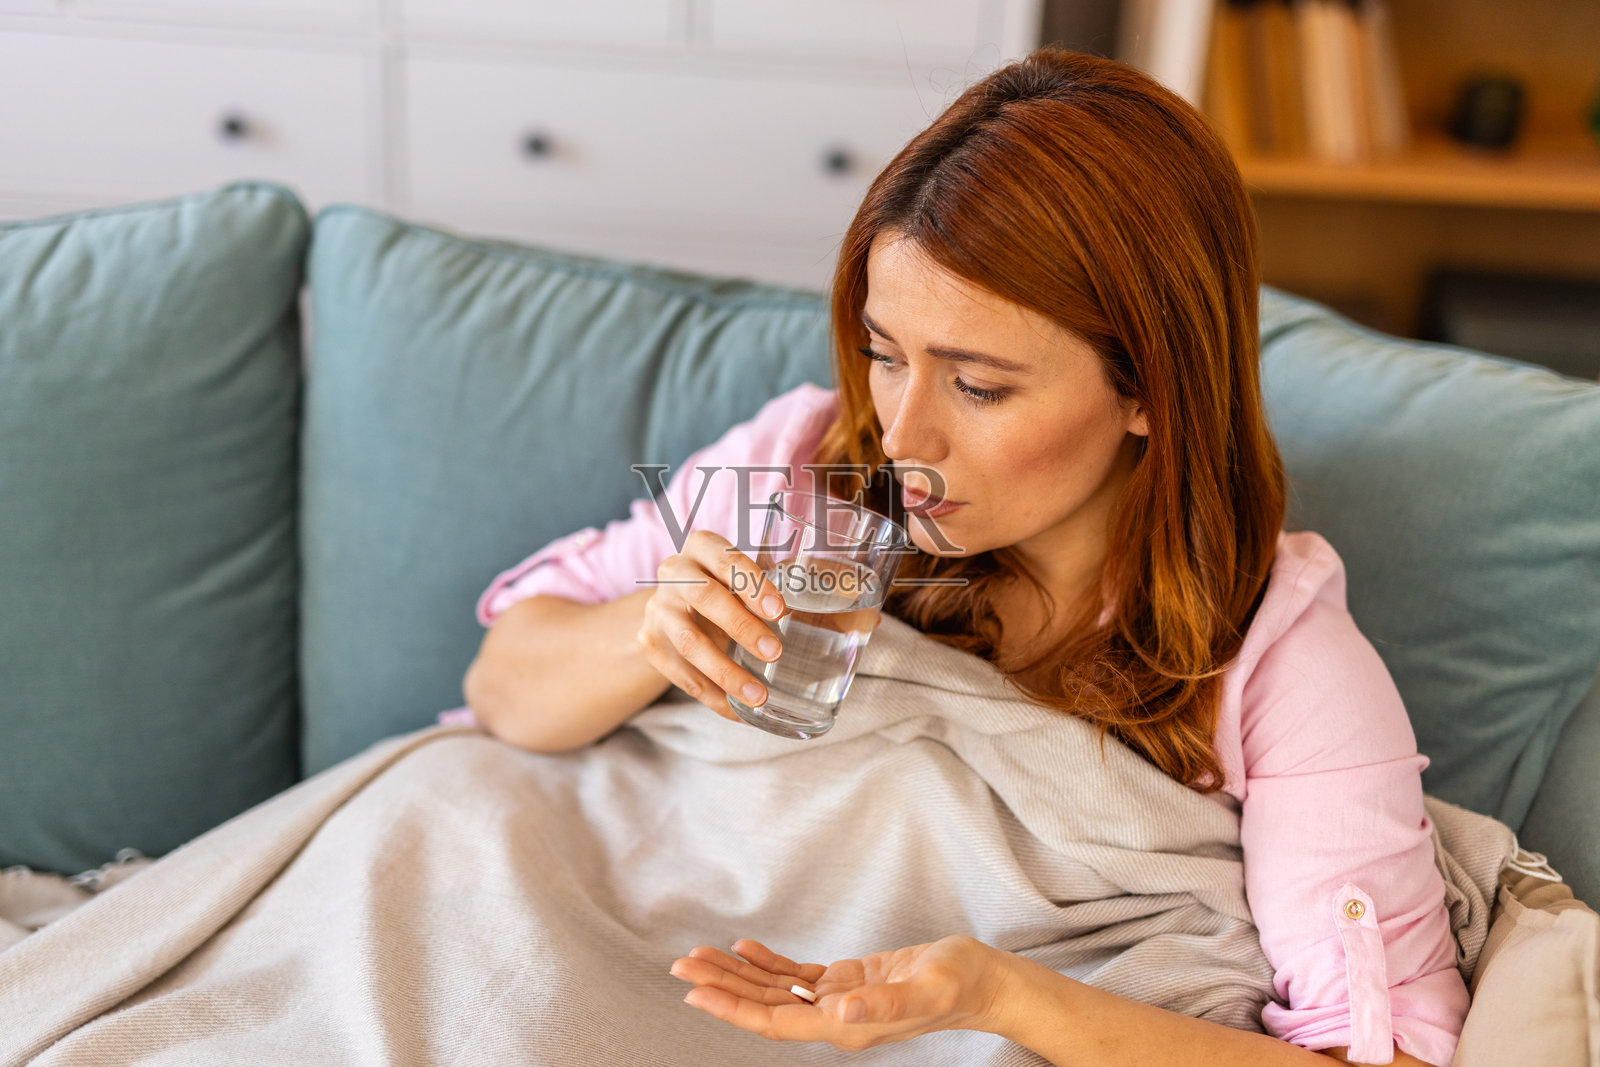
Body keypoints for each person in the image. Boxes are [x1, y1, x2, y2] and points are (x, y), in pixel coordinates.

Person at [461, 48, 1467, 1067]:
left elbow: (1385, 1056)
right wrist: (644, 626)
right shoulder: (804, 465)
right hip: (578, 931)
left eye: (978, 386)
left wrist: (999, 993)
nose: (901, 435)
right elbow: (503, 690)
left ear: (1149, 390)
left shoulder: (1278, 664)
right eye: (884, 352)